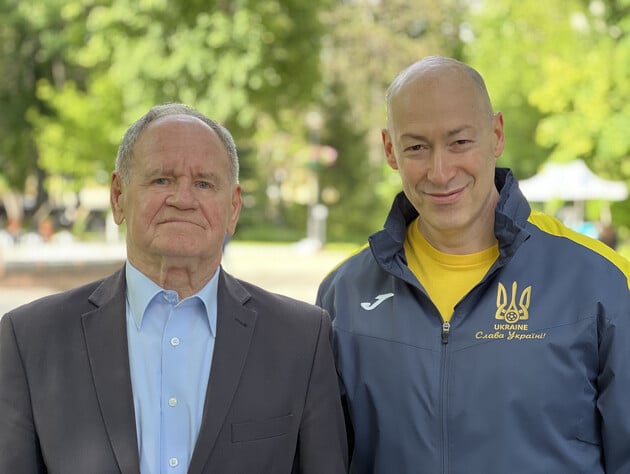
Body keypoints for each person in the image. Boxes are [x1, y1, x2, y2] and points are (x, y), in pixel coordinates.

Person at [317, 56, 630, 473]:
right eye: (416, 147)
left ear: (496, 134)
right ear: (390, 150)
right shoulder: (345, 294)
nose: (440, 171)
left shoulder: (600, 282)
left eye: (459, 142)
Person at [0, 103, 348, 473]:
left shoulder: (302, 339)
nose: (183, 199)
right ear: (118, 196)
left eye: (204, 183)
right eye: (161, 179)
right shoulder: (29, 340)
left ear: (233, 208)